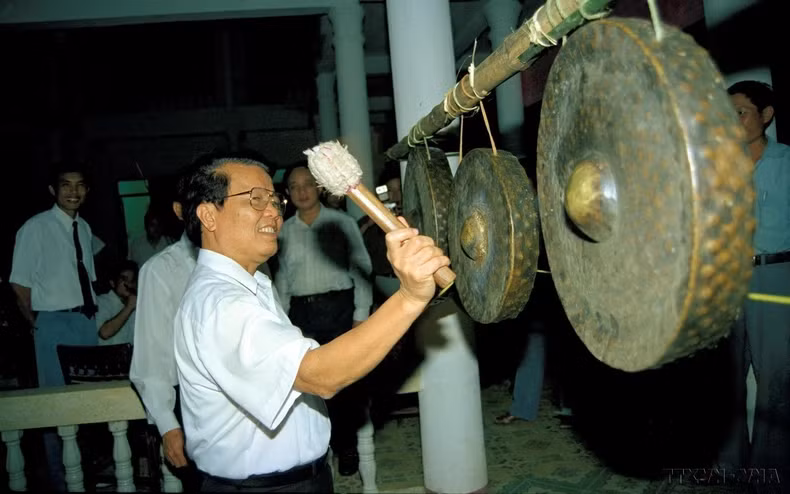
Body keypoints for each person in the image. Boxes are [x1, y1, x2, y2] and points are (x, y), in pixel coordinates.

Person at [174, 153, 449, 492]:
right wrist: (409, 297)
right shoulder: (220, 303)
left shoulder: (252, 282)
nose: (273, 211)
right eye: (256, 199)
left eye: (275, 200)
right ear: (207, 215)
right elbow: (318, 375)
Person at [275, 165, 373, 475]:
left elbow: (362, 269)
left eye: (308, 184)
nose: (302, 191)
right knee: (308, 386)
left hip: (340, 310)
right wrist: (280, 322)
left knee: (345, 385)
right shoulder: (283, 232)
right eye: (294, 186)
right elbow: (282, 283)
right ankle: (318, 448)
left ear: (319, 188)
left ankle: (347, 447)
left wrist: (360, 316)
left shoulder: (342, 223)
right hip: (301, 315)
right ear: (287, 194)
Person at [9, 161, 98, 491]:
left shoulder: (85, 228)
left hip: (85, 320)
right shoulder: (35, 227)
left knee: (87, 402)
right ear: (53, 190)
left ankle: (83, 473)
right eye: (65, 185)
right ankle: (60, 481)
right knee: (55, 403)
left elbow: (86, 280)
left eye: (79, 185)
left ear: (87, 191)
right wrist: (38, 323)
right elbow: (19, 284)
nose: (73, 191)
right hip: (53, 322)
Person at [718, 81, 790, 482]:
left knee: (775, 379)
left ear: (766, 116)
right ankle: (728, 466)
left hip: (775, 277)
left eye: (741, 112)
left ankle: (771, 473)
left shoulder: (786, 162)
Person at [129, 174, 199, 489]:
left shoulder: (252, 263)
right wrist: (169, 427)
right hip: (193, 403)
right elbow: (152, 359)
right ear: (180, 210)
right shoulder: (160, 270)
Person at [96, 259, 138, 345]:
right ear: (112, 283)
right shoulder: (102, 301)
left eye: (132, 280)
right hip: (106, 356)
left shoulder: (135, 304)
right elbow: (104, 333)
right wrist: (129, 307)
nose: (129, 284)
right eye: (124, 279)